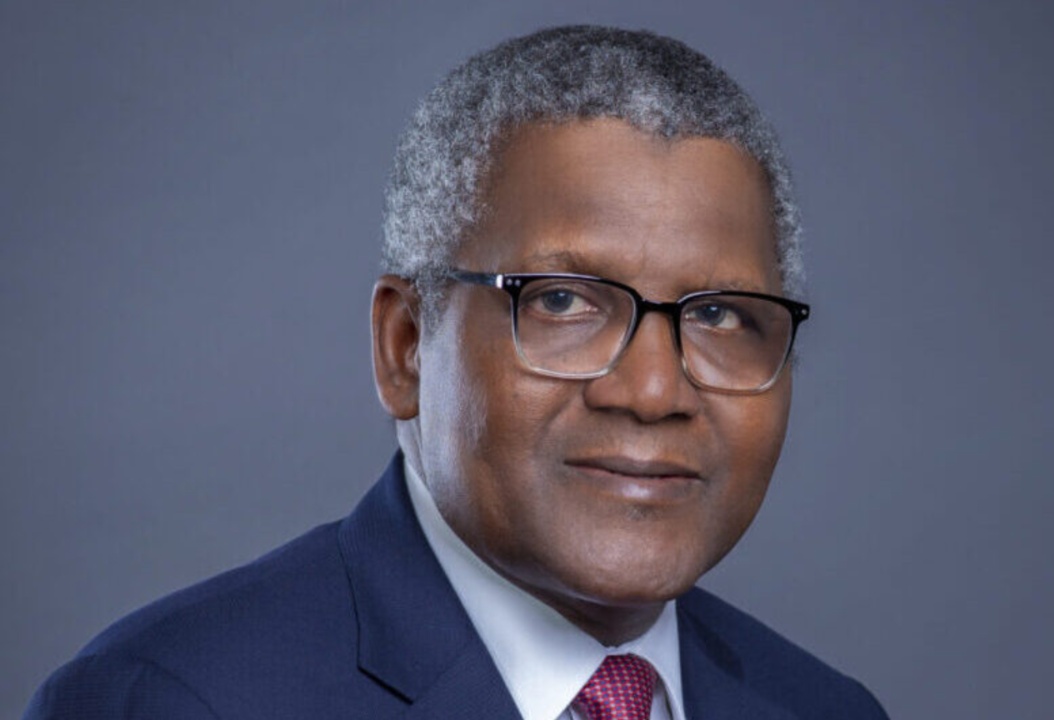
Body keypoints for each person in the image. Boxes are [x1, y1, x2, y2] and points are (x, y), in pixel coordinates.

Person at [25, 25, 889, 719]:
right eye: (562, 301)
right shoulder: (172, 700)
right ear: (405, 345)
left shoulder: (823, 708)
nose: (654, 392)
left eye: (718, 315)